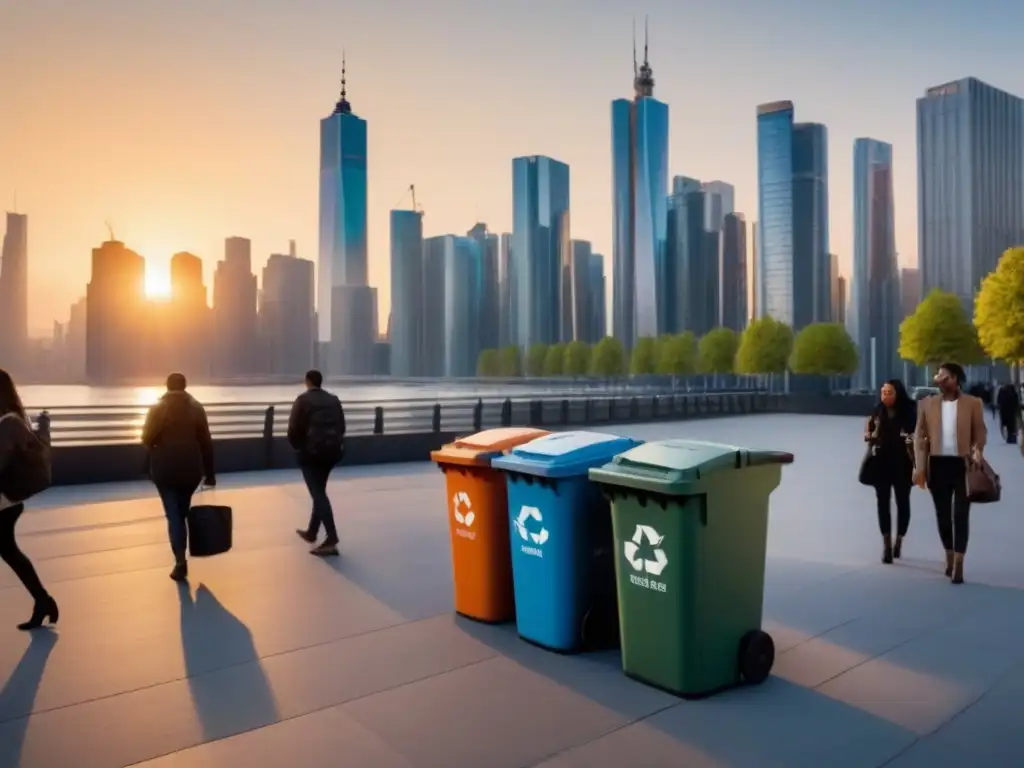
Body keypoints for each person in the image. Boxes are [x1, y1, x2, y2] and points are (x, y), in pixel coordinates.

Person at [913, 362, 987, 584]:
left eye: (944, 377)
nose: (940, 380)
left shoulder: (973, 403)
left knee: (961, 515)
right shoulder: (927, 404)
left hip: (962, 465)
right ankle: (948, 554)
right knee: (943, 514)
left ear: (955, 379)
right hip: (937, 464)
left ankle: (959, 563)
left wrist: (977, 451)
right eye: (938, 376)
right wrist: (920, 467)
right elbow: (920, 436)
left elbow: (979, 433)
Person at [142, 373, 216, 581]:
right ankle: (184, 547)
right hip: (191, 469)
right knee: (182, 511)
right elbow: (206, 443)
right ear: (185, 386)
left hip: (164, 469)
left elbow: (146, 438)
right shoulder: (197, 408)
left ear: (166, 386)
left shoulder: (157, 408)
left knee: (173, 515)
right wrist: (210, 474)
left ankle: (180, 561)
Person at [0, 370, 58, 630]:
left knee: (10, 552)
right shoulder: (10, 420)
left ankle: (43, 600)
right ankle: (43, 600)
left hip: (4, 501)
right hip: (7, 502)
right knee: (10, 553)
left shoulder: (9, 423)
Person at [288, 370, 345, 557]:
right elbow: (342, 427)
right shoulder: (333, 399)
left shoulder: (302, 400)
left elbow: (293, 430)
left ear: (307, 381)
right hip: (333, 452)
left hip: (311, 454)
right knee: (319, 489)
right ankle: (312, 532)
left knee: (318, 493)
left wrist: (300, 448)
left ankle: (331, 538)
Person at [864, 379, 917, 564]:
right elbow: (868, 434)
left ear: (898, 393)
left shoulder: (911, 410)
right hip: (881, 462)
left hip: (903, 463)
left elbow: (916, 432)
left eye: (889, 392)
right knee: (882, 503)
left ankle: (899, 541)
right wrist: (871, 434)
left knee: (903, 503)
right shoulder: (878, 410)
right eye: (883, 392)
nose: (885, 396)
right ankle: (886, 546)